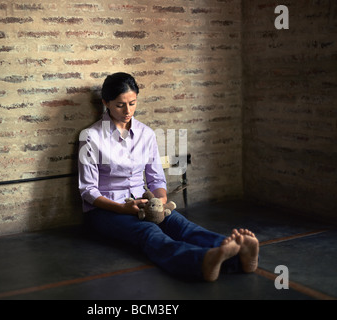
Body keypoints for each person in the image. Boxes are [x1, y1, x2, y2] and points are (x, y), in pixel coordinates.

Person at [78, 72, 259, 282]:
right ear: (106, 103)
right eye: (120, 105)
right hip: (106, 211)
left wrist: (160, 201)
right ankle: (202, 261)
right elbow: (88, 190)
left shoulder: (146, 134)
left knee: (181, 225)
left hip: (146, 204)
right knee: (148, 233)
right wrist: (122, 208)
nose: (128, 111)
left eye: (133, 103)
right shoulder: (91, 136)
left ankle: (238, 252)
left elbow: (156, 179)